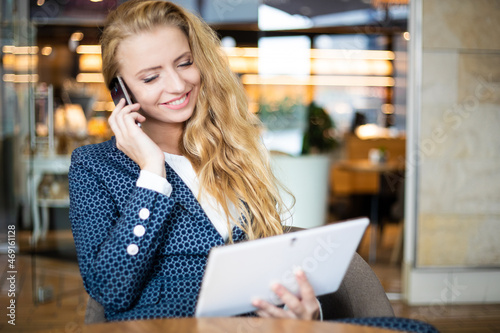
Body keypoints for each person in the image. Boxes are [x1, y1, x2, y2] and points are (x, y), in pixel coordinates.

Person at [69, 0, 320, 322]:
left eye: (185, 63)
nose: (177, 85)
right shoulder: (95, 166)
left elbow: (268, 264)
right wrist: (152, 173)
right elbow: (110, 289)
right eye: (150, 78)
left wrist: (300, 311)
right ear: (121, 92)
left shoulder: (232, 150)